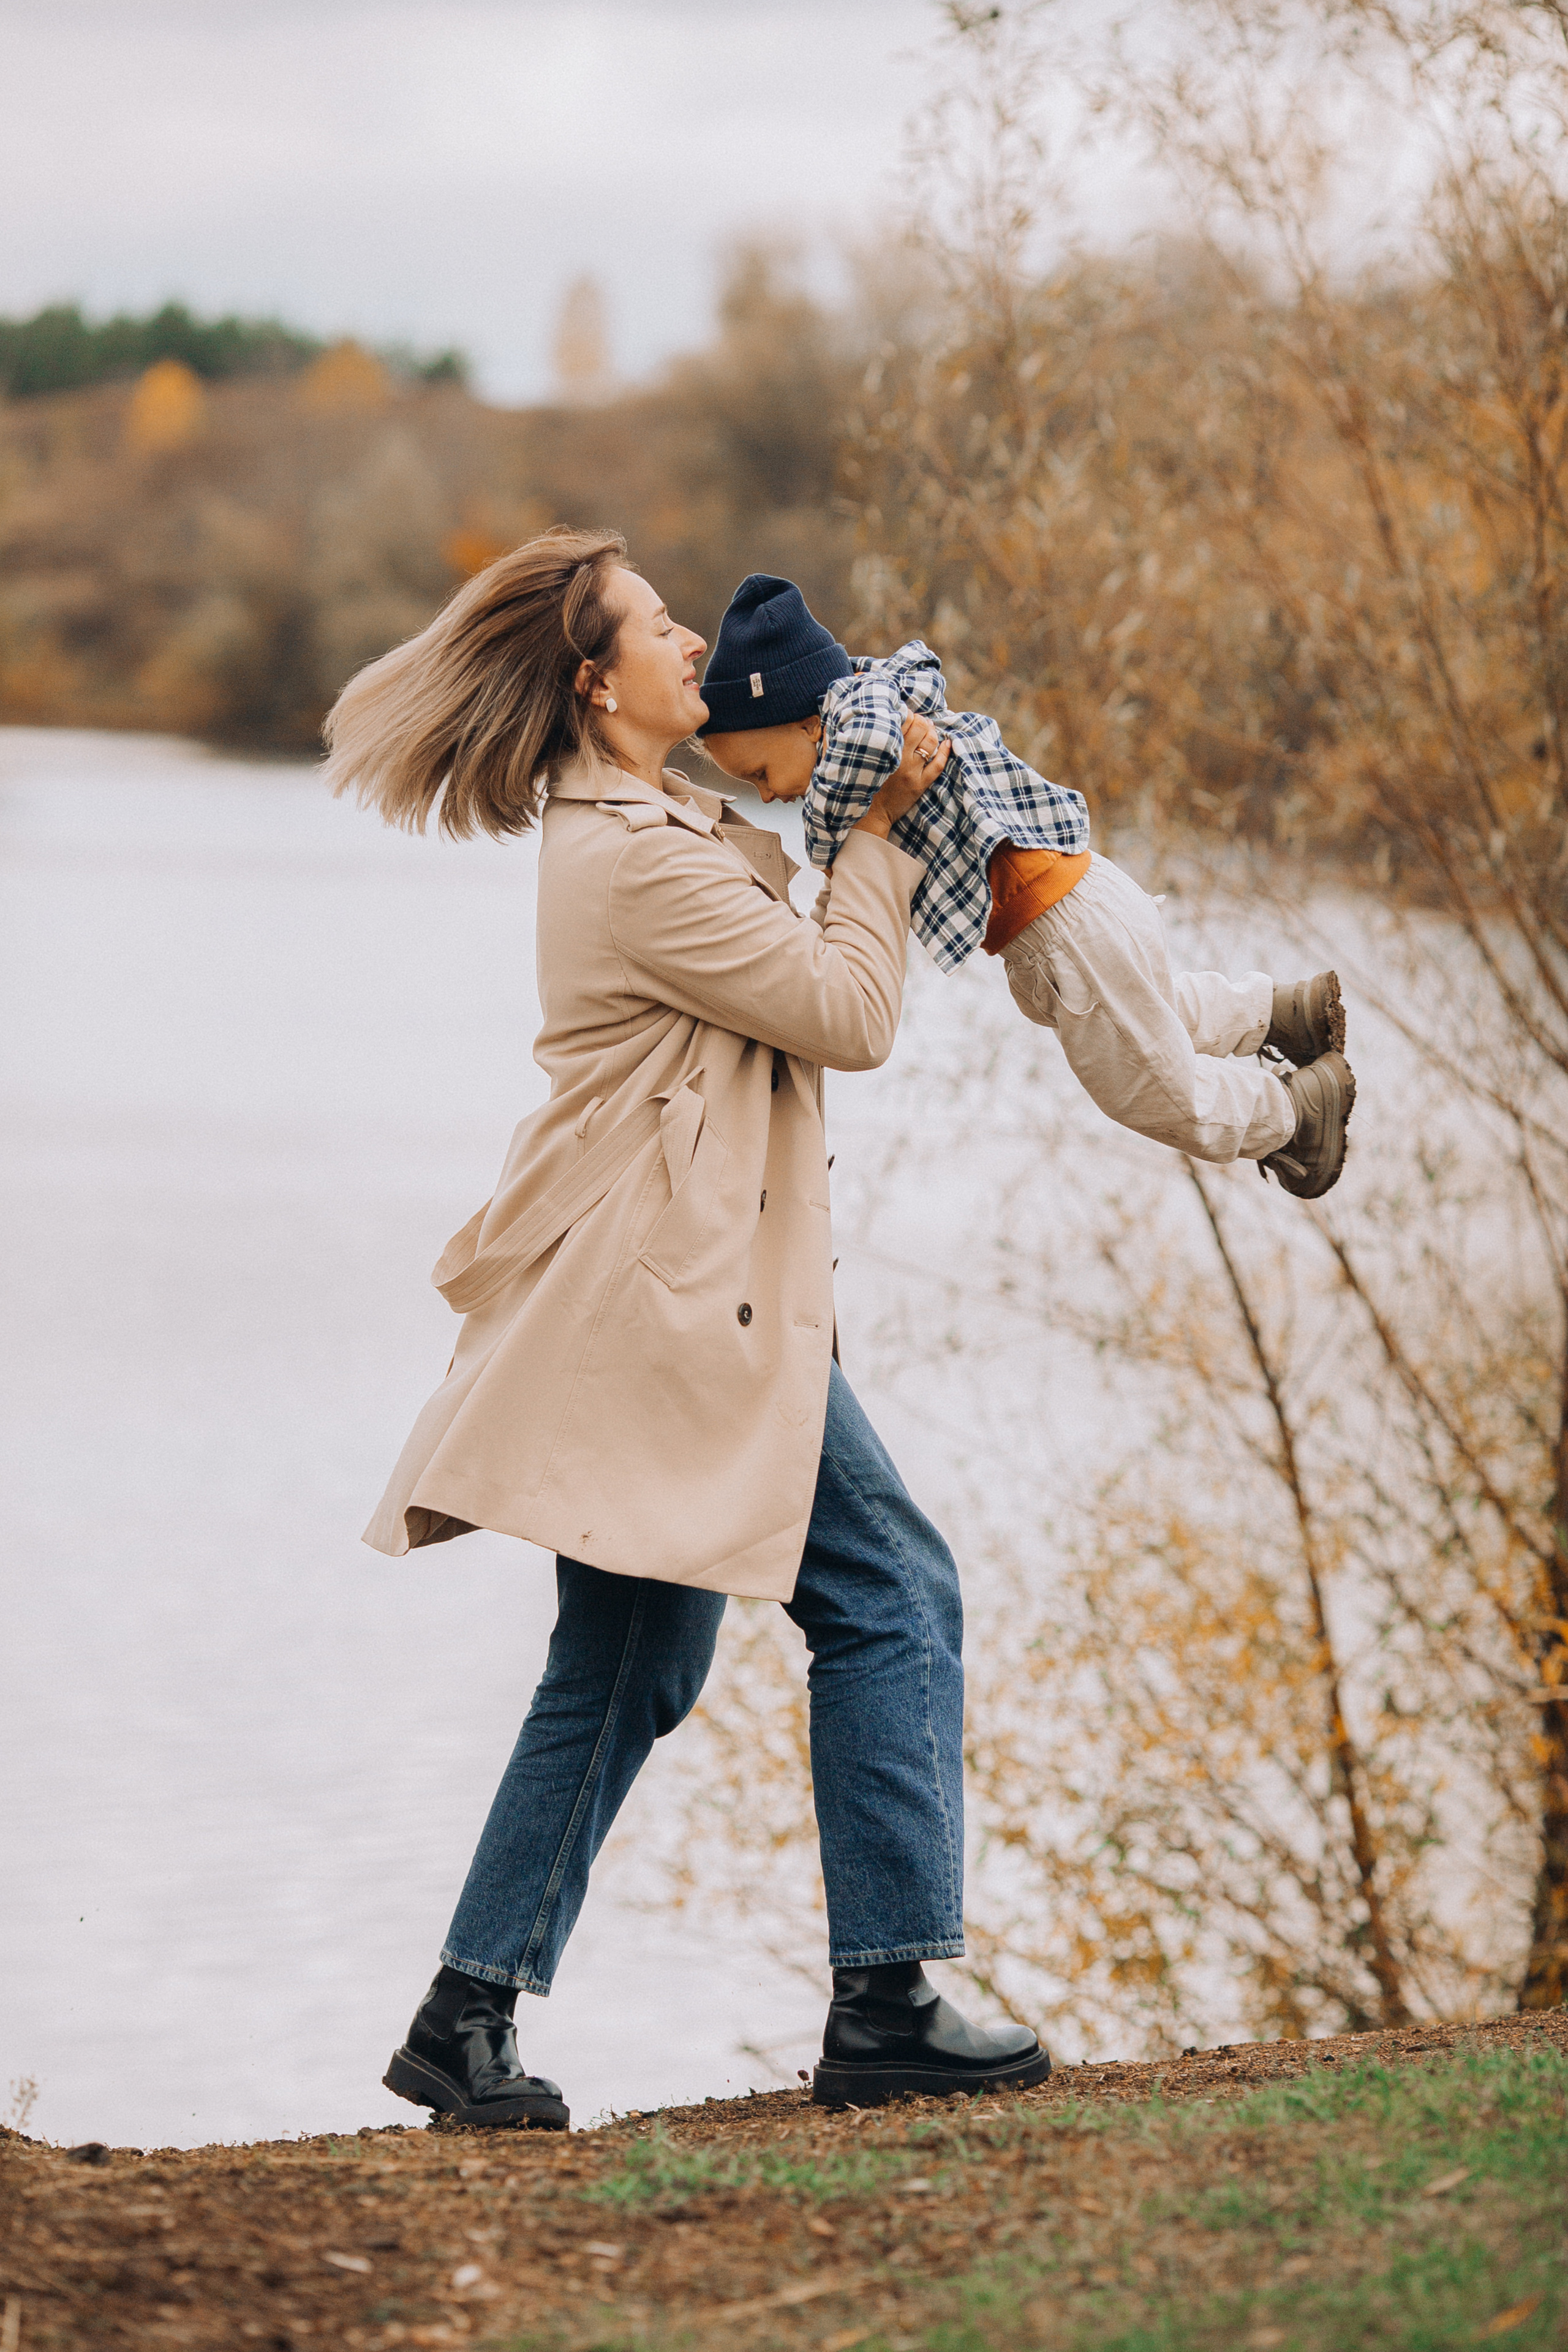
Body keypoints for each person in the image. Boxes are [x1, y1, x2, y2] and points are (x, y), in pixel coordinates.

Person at [322, 526, 1050, 2127]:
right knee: (889, 1588)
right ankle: (887, 2002)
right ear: (596, 685)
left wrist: (878, 778)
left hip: (670, 1300)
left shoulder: (661, 819)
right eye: (655, 629)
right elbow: (845, 1014)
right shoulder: (632, 859)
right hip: (668, 1313)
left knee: (630, 1661)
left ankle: (468, 2012)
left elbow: (793, 886)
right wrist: (887, 838)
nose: (687, 648)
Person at [699, 575, 1355, 1197]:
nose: (767, 795)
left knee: (1150, 1089)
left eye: (759, 771)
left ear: (802, 720)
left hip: (1063, 924)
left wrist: (831, 829)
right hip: (1084, 899)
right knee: (1159, 1023)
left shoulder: (861, 718)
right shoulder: (873, 702)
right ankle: (1283, 1013)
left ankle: (1295, 1118)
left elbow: (865, 745)